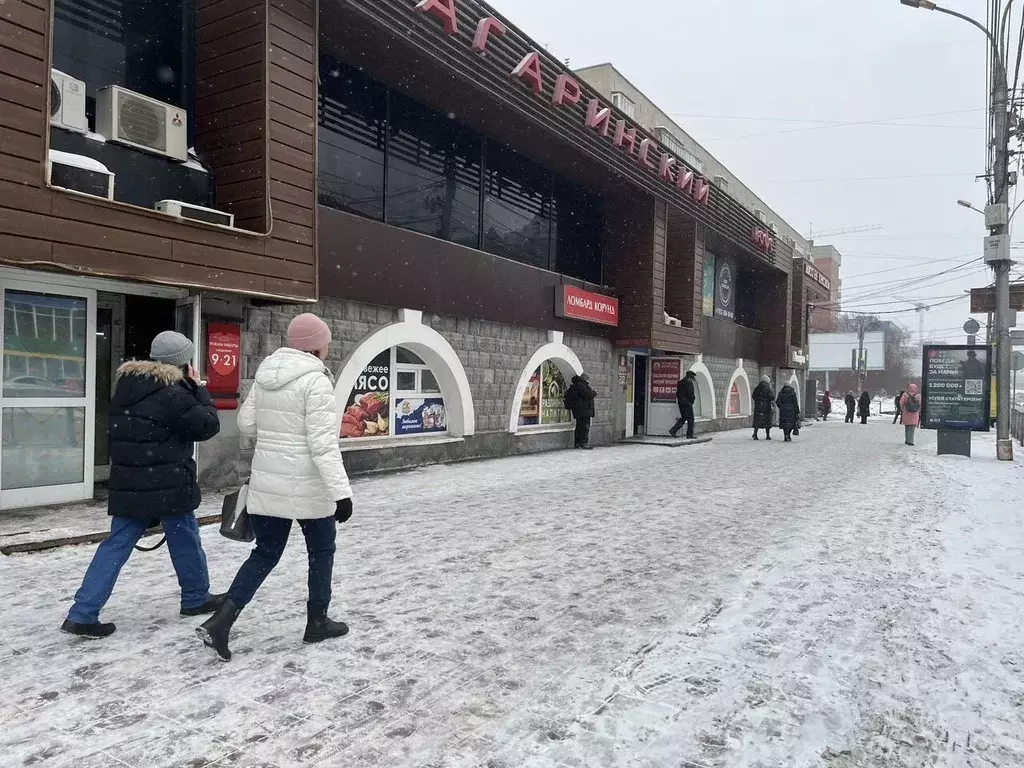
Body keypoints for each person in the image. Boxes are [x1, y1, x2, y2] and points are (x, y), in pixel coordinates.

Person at [198, 314, 354, 662]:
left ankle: (222, 621)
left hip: (268, 483)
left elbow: (246, 423)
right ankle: (317, 621)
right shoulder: (316, 381)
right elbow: (323, 445)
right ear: (317, 345)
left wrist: (278, 434)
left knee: (266, 553)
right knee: (321, 551)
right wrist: (341, 493)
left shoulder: (268, 375)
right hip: (309, 487)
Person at [62, 331, 222, 638]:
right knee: (186, 539)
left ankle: (82, 612)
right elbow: (207, 425)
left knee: (116, 546)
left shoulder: (127, 387)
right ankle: (195, 597)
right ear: (182, 363)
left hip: (131, 483)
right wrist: (199, 389)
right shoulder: (174, 393)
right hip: (168, 482)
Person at [564, 372, 597, 449]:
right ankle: (584, 442)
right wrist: (594, 393)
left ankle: (577, 442)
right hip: (584, 410)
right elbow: (588, 395)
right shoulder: (581, 385)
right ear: (586, 379)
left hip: (579, 410)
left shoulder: (576, 385)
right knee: (585, 427)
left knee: (579, 426)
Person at [669, 370, 697, 439]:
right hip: (687, 403)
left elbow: (677, 393)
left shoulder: (680, 382)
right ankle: (689, 435)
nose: (693, 378)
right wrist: (691, 401)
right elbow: (691, 394)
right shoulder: (689, 382)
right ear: (691, 376)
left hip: (681, 403)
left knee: (684, 417)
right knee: (691, 419)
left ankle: (673, 430)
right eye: (693, 377)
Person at [751, 375, 775, 440]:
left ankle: (755, 434)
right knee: (767, 421)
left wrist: (758, 401)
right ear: (767, 381)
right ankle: (767, 435)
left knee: (757, 421)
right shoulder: (768, 388)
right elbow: (772, 397)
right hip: (766, 407)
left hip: (758, 407)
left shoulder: (757, 388)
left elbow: (753, 396)